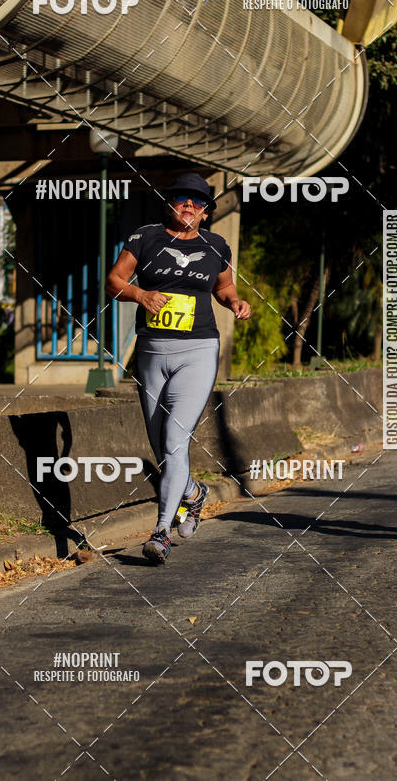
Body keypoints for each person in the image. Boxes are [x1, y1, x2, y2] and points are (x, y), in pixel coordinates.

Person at [106, 172, 251, 563]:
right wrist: (140, 293)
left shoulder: (216, 246)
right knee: (160, 443)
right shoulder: (145, 237)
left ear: (206, 212)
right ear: (170, 204)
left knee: (175, 436)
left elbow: (224, 287)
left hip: (198, 350)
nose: (190, 205)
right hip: (151, 351)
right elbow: (114, 280)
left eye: (198, 201)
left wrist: (235, 303)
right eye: (182, 198)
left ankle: (160, 533)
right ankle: (194, 492)